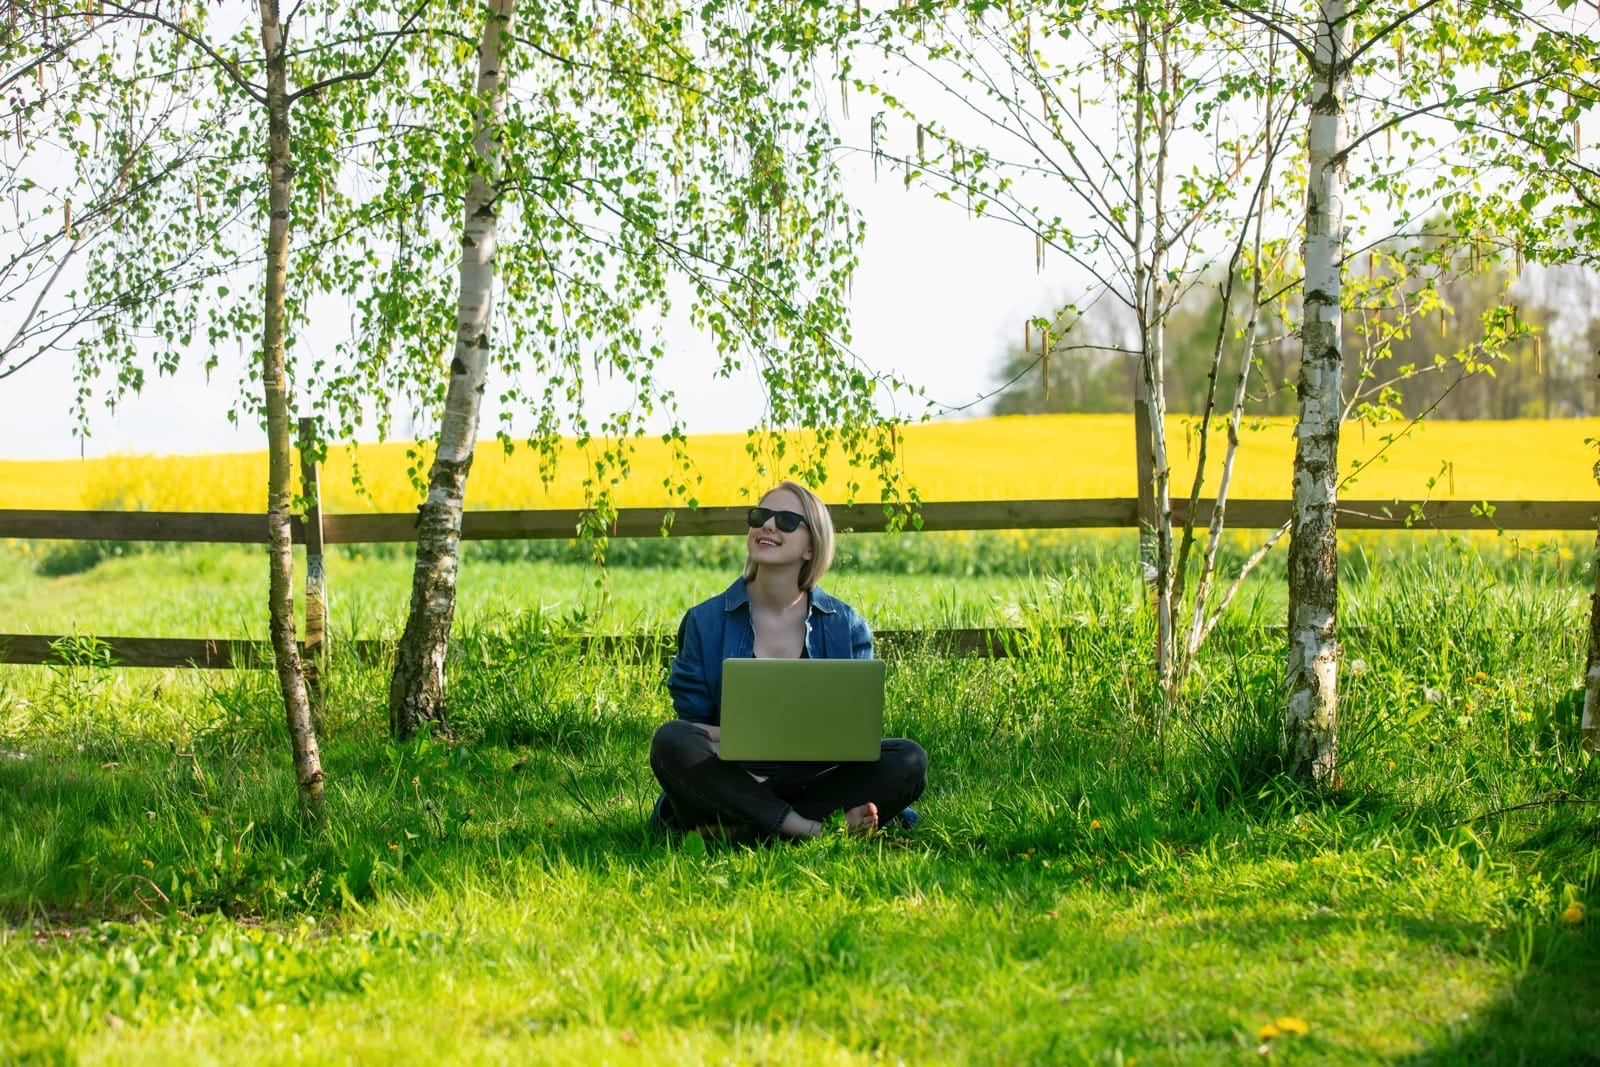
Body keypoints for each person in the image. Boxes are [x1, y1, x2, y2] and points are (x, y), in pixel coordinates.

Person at [648, 480, 928, 839]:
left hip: (817, 782)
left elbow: (853, 735)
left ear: (811, 547)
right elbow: (692, 733)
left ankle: (737, 831)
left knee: (909, 759)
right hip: (734, 780)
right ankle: (810, 829)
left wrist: (746, 734)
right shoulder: (705, 621)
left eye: (786, 521)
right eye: (761, 516)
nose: (767, 525)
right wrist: (767, 737)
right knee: (670, 741)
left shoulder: (845, 626)